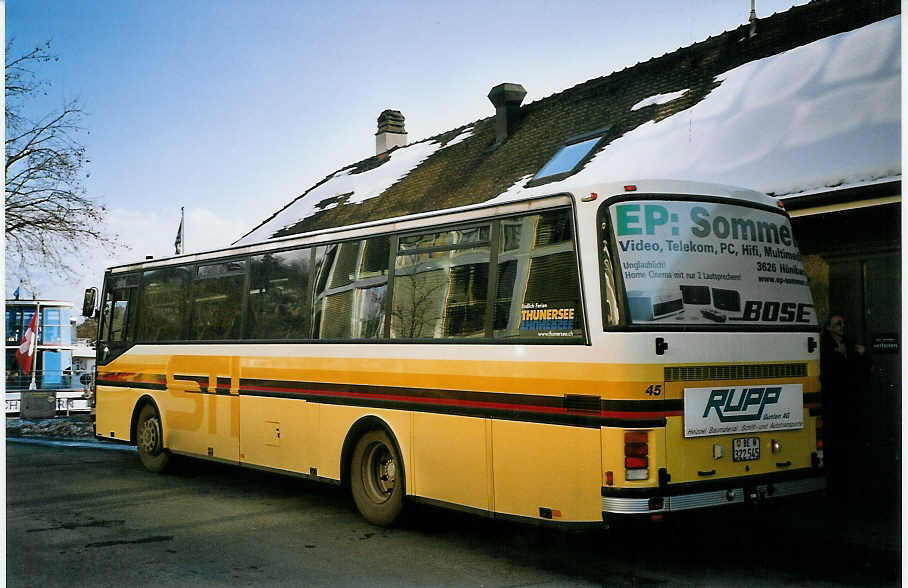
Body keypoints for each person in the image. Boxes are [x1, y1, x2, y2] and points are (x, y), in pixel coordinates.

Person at [819, 313, 866, 498]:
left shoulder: (850, 344)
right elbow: (828, 374)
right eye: (838, 324)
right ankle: (836, 489)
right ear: (829, 328)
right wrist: (838, 355)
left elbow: (860, 370)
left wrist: (859, 355)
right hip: (834, 406)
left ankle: (850, 487)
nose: (842, 326)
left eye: (843, 323)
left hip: (850, 404)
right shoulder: (824, 346)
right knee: (836, 447)